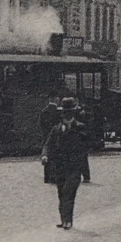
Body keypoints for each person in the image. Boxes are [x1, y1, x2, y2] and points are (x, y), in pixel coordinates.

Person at [41, 97, 89, 229]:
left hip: (74, 168)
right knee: (61, 194)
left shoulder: (80, 128)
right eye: (65, 112)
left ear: (74, 113)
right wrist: (45, 155)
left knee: (69, 193)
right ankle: (63, 220)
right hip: (60, 167)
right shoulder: (56, 129)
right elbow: (48, 144)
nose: (67, 114)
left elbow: (84, 148)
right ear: (62, 113)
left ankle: (68, 221)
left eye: (70, 112)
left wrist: (84, 171)